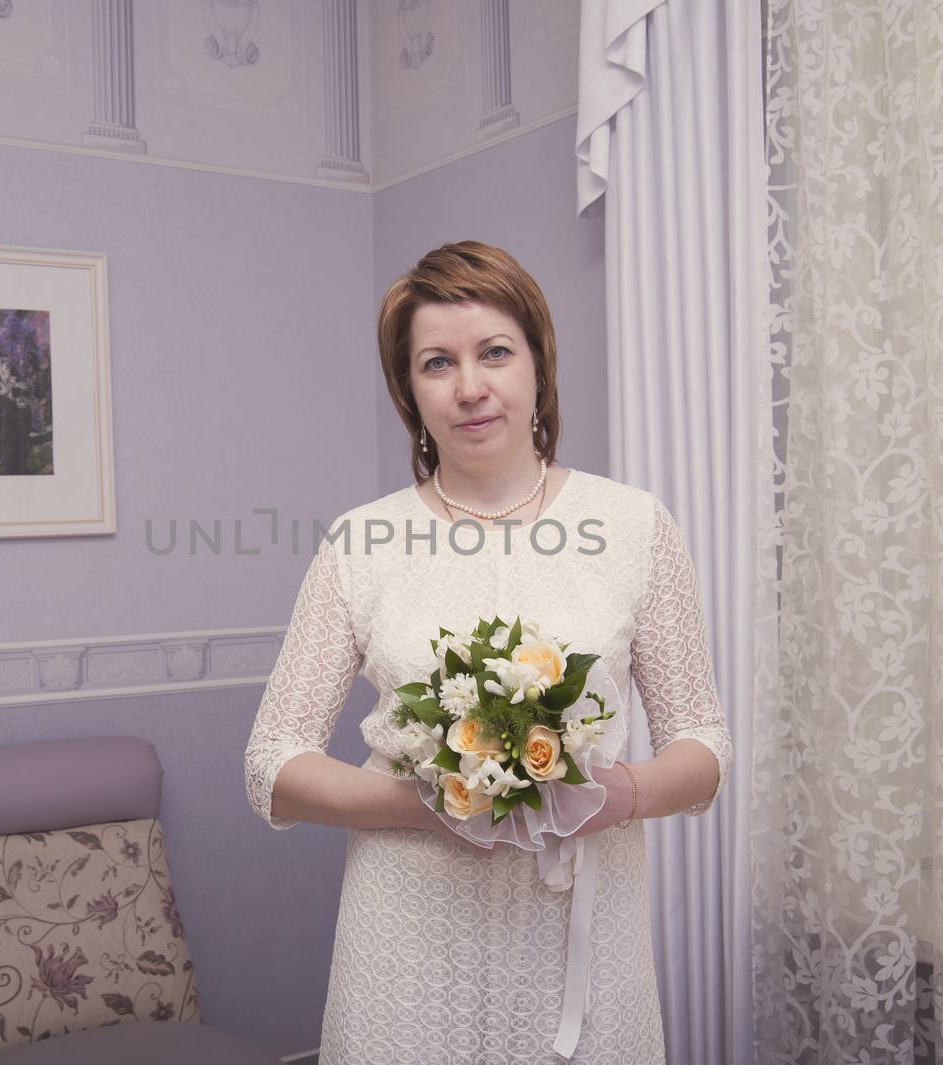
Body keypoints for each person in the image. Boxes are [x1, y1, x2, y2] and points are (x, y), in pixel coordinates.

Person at [242, 241, 733, 1064]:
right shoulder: (361, 543)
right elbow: (271, 764)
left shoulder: (635, 526)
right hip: (405, 953)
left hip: (585, 944)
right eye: (438, 363)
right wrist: (432, 803)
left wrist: (617, 792)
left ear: (538, 364)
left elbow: (706, 747)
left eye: (494, 352)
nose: (469, 385)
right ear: (411, 392)